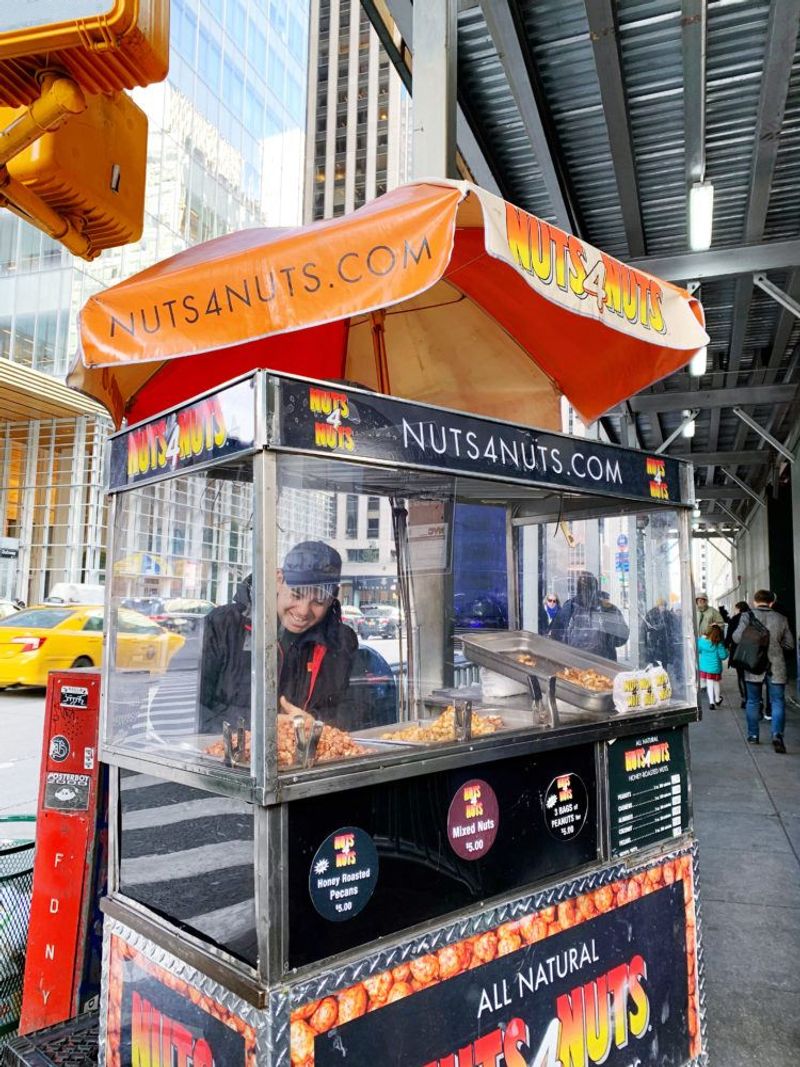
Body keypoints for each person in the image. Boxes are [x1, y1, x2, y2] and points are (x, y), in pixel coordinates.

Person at [199, 540, 358, 734]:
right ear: (278, 579)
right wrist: (260, 724)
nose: (303, 611)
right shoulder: (222, 626)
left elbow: (356, 710)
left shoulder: (341, 642)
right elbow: (190, 709)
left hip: (308, 759)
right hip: (229, 758)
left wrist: (316, 724)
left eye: (318, 602)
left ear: (333, 599)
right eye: (297, 595)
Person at [733, 589, 794, 752]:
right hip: (776, 665)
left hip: (754, 664)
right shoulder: (781, 618)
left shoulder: (747, 616)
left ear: (755, 601)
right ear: (771, 602)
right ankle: (777, 735)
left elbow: (736, 638)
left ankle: (753, 735)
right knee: (777, 702)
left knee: (753, 701)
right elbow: (790, 645)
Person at [550, 572, 629, 661]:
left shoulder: (607, 608)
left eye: (588, 588)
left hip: (599, 663)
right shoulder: (569, 608)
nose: (586, 593)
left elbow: (621, 638)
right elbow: (556, 636)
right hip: (579, 663)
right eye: (583, 588)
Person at [725, 600, 750, 708]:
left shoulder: (735, 619)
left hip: (738, 652)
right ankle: (757, 698)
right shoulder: (753, 617)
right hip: (752, 651)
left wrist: (725, 645)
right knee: (752, 674)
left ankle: (745, 698)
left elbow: (729, 636)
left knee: (741, 676)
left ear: (739, 609)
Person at [697, 624, 727, 708]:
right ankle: (717, 699)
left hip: (705, 667)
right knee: (716, 683)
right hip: (715, 668)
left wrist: (701, 639)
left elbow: (698, 650)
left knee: (709, 683)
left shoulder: (702, 642)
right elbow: (723, 656)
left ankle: (711, 702)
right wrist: (727, 651)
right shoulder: (719, 644)